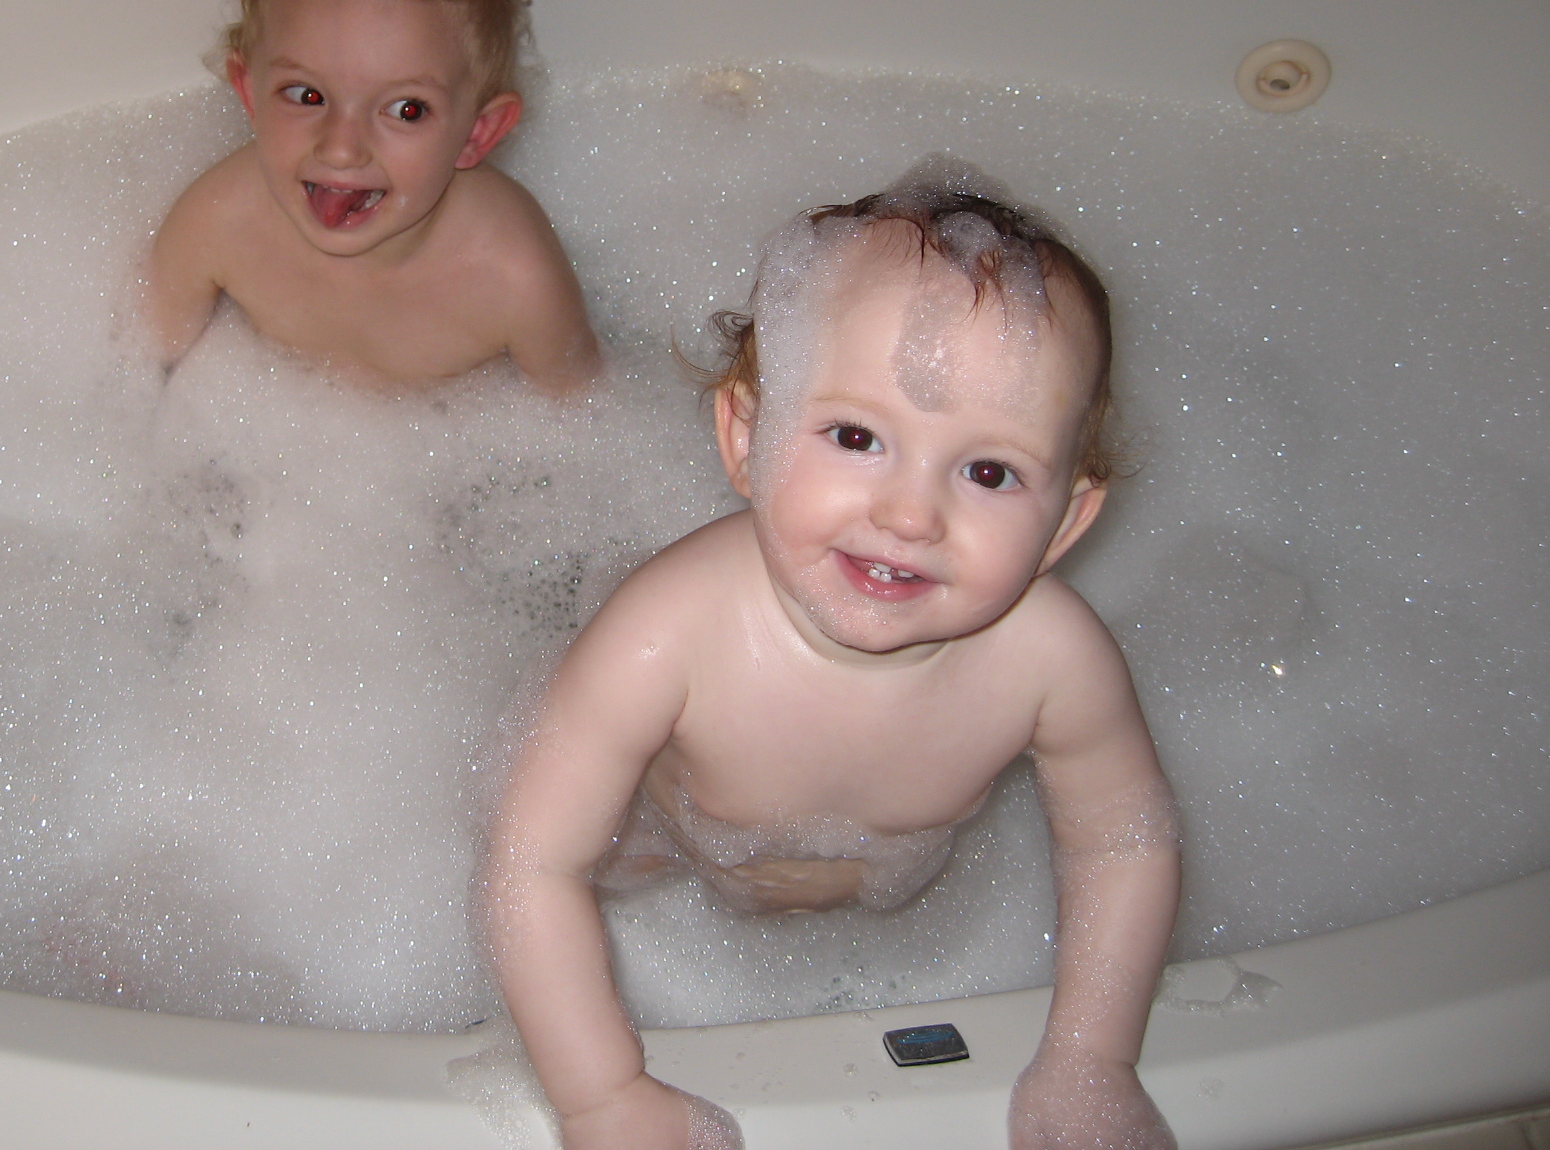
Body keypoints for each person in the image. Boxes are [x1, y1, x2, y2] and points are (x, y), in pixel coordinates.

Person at [484, 171, 1180, 1150]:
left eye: (989, 471)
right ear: (746, 437)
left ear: (1066, 521)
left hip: (908, 911)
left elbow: (1121, 844)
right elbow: (535, 862)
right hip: (666, 853)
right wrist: (602, 1095)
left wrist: (1090, 1057)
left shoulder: (1053, 661)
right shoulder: (666, 634)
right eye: (855, 437)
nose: (909, 514)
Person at [144, 0, 600, 393]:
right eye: (307, 95)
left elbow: (580, 413)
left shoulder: (512, 274)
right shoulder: (218, 220)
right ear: (249, 94)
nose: (341, 149)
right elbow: (139, 365)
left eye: (406, 110)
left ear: (477, 133)